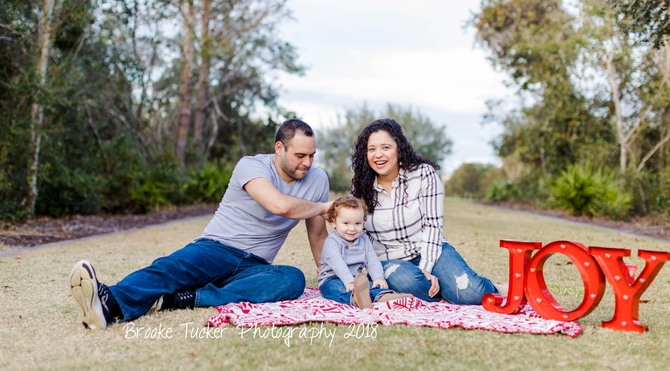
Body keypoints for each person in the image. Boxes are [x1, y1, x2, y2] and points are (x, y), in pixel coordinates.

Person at [69, 119, 331, 330]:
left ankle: (185, 299)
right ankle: (109, 302)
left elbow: (318, 236)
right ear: (279, 148)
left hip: (256, 265)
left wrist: (328, 277)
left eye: (312, 155)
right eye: (300, 155)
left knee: (291, 279)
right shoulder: (251, 166)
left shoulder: (318, 179)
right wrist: (323, 207)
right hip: (216, 249)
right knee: (170, 268)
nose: (307, 163)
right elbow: (280, 205)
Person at [350, 118, 503, 304]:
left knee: (471, 293)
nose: (378, 155)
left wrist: (426, 268)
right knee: (408, 281)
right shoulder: (360, 187)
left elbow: (432, 225)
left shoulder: (423, 174)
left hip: (430, 250)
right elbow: (360, 235)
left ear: (399, 148)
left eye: (385, 147)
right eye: (371, 149)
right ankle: (446, 291)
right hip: (389, 260)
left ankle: (484, 287)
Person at [317, 195, 411, 309]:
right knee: (337, 289)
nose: (352, 228)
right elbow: (338, 265)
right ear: (334, 222)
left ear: (363, 222)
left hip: (357, 281)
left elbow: (372, 261)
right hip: (332, 279)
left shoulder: (364, 240)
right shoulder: (332, 242)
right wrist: (349, 282)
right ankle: (355, 298)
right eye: (346, 223)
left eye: (357, 223)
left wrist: (378, 277)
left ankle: (384, 296)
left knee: (372, 286)